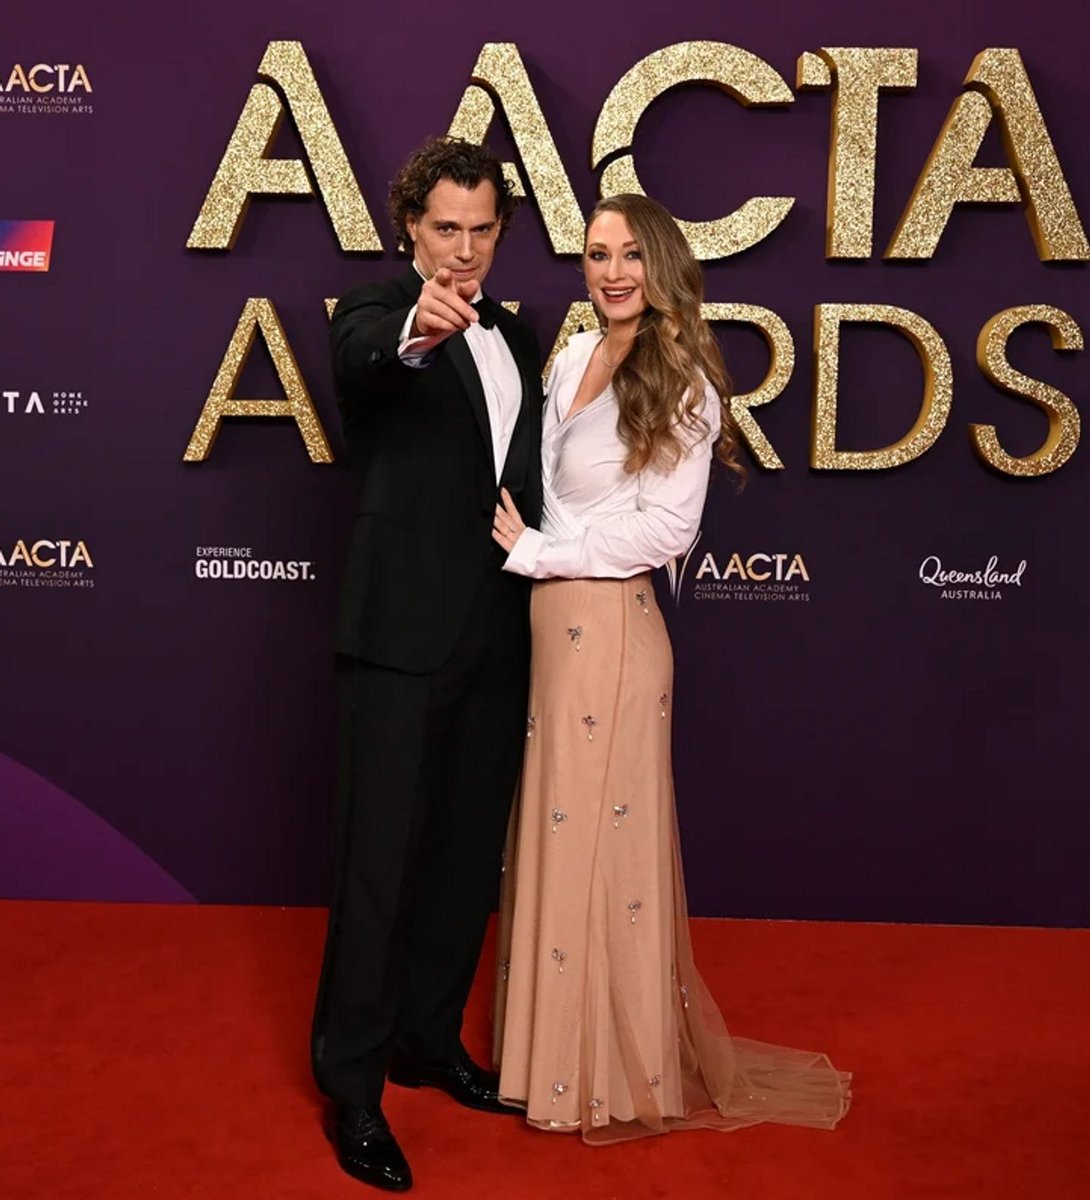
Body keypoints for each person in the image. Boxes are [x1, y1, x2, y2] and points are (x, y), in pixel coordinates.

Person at [490, 193, 851, 1143]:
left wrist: (535, 552)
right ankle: (548, 1064)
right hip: (553, 625)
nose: (612, 271)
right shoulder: (570, 356)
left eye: (631, 255)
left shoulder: (685, 377)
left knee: (606, 849)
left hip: (613, 629)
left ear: (662, 265)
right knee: (561, 833)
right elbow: (558, 494)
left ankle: (604, 1078)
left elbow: (666, 528)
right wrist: (535, 551)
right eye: (597, 253)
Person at [313, 137, 544, 1191]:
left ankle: (426, 1038)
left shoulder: (522, 332)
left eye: (481, 230)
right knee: (378, 865)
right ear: (410, 227)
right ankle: (353, 1089)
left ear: (501, 231)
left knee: (461, 859)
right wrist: (415, 329)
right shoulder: (374, 314)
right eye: (444, 228)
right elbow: (369, 361)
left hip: (497, 634)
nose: (463, 250)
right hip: (399, 635)